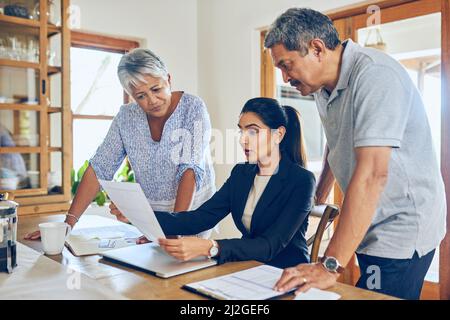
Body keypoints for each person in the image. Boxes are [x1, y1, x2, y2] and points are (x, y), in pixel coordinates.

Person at [264, 8, 446, 299]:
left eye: (287, 65)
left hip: (401, 224)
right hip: (371, 218)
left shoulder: (375, 76)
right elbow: (335, 144)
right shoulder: (324, 87)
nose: (285, 78)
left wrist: (330, 265)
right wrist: (317, 197)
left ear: (317, 49)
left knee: (373, 294)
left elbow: (374, 174)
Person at [25, 48, 216, 240]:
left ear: (168, 79)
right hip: (153, 217)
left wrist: (173, 232)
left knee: (189, 266)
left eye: (156, 89)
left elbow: (189, 170)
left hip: (193, 211)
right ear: (130, 95)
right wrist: (67, 225)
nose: (152, 100)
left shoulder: (193, 108)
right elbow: (99, 168)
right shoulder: (126, 117)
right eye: (140, 96)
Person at [110, 98, 315, 268]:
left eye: (253, 131)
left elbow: (269, 245)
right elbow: (200, 218)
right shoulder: (241, 174)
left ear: (278, 134)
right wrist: (139, 215)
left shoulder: (301, 181)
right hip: (247, 266)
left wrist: (210, 246)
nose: (243, 140)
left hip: (287, 272)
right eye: (241, 131)